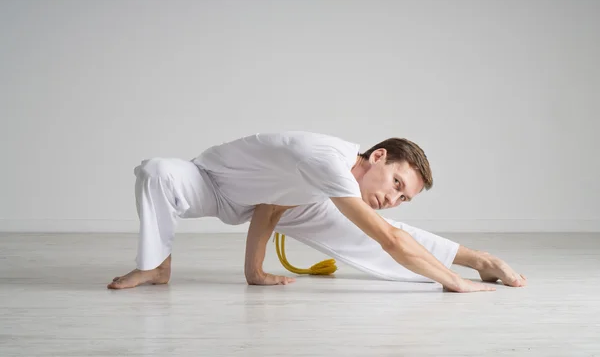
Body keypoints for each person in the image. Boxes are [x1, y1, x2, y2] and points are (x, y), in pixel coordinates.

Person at [107, 131, 526, 292]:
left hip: (275, 202)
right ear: (378, 156)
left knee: (379, 231)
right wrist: (454, 284)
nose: (393, 198)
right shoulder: (326, 160)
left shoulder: (327, 183)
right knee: (158, 171)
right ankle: (156, 266)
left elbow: (271, 207)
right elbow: (391, 240)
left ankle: (482, 261)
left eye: (404, 197)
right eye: (396, 184)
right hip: (214, 184)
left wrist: (254, 274)